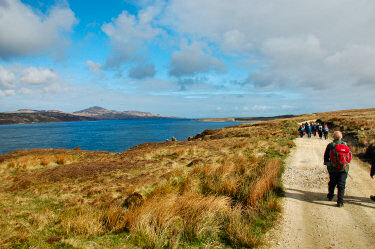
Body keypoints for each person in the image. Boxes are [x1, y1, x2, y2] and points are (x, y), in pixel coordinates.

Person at [324, 131, 352, 207]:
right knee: (341, 184)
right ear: (341, 137)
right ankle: (340, 201)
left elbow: (326, 156)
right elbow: (349, 157)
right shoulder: (346, 145)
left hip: (333, 168)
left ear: (333, 137)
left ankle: (330, 195)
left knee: (332, 182)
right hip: (344, 168)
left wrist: (328, 164)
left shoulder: (330, 145)